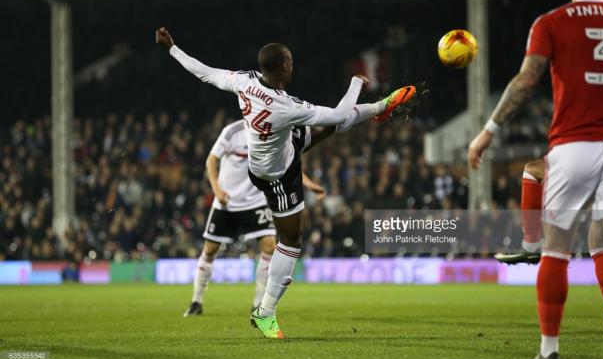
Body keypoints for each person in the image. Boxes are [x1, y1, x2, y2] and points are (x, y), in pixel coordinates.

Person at [156, 27, 417, 338]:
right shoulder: (285, 107)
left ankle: (380, 108)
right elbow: (338, 113)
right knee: (291, 242)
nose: (294, 65)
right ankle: (265, 313)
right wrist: (355, 84)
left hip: (279, 147)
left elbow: (204, 72)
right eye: (290, 61)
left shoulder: (245, 80)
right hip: (276, 174)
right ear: (282, 67)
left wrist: (172, 48)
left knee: (324, 130)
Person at [468, 0, 603, 359]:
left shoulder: (550, 22)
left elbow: (527, 80)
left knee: (557, 249)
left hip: (574, 145)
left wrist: (488, 131)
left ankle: (549, 351)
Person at [184, 120, 326, 317]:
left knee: (269, 246)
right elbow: (211, 160)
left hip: (256, 202)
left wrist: (310, 184)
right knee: (210, 250)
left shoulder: (273, 134)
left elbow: (286, 165)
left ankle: (258, 303)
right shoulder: (232, 132)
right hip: (227, 202)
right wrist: (217, 190)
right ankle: (196, 301)